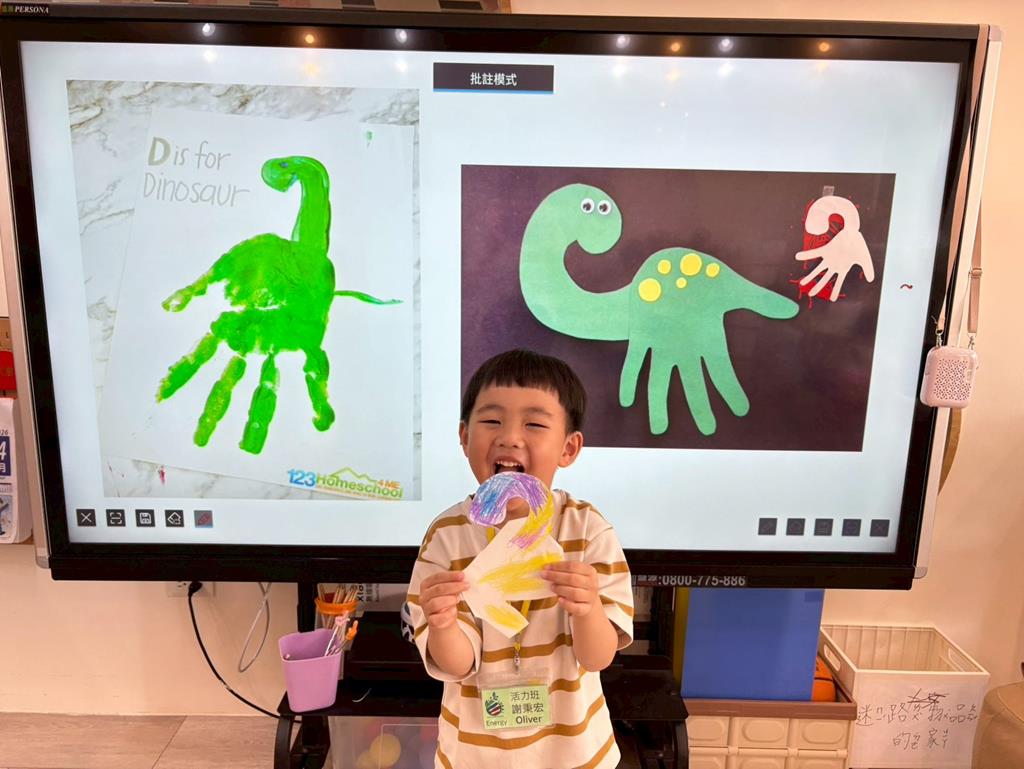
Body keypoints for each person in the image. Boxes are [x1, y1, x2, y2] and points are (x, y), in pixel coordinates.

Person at [407, 348, 633, 769]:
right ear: (464, 437)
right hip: (474, 755)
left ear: (569, 448)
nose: (510, 437)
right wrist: (440, 623)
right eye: (492, 421)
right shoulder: (447, 536)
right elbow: (457, 664)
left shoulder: (588, 530)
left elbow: (598, 658)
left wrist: (588, 610)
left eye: (534, 424)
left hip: (576, 754)